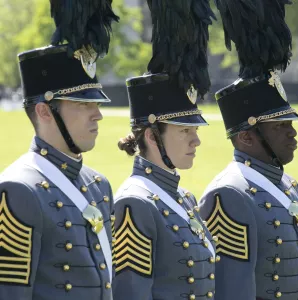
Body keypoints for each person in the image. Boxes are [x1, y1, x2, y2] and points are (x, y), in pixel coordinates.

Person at [0, 1, 119, 299]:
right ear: (44, 111)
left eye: (96, 104)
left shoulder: (98, 185)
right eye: (83, 104)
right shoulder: (17, 189)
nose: (98, 115)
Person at [198, 0, 298, 299]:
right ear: (247, 138)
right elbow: (232, 287)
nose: (292, 132)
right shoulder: (229, 194)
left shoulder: (286, 184)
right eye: (279, 126)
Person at [111, 1, 216, 299]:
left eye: (195, 131)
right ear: (152, 136)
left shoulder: (184, 198)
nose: (195, 141)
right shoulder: (134, 203)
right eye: (185, 131)